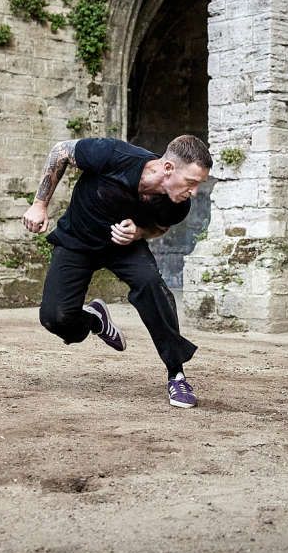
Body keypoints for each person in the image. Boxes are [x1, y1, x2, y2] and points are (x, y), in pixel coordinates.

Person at [23, 135, 211, 408]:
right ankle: (95, 320)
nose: (193, 192)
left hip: (123, 247)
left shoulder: (178, 204)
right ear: (168, 168)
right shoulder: (114, 155)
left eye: (198, 185)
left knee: (151, 285)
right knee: (56, 318)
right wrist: (40, 204)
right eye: (191, 182)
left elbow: (160, 227)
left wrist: (139, 232)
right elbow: (61, 151)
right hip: (77, 239)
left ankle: (176, 375)